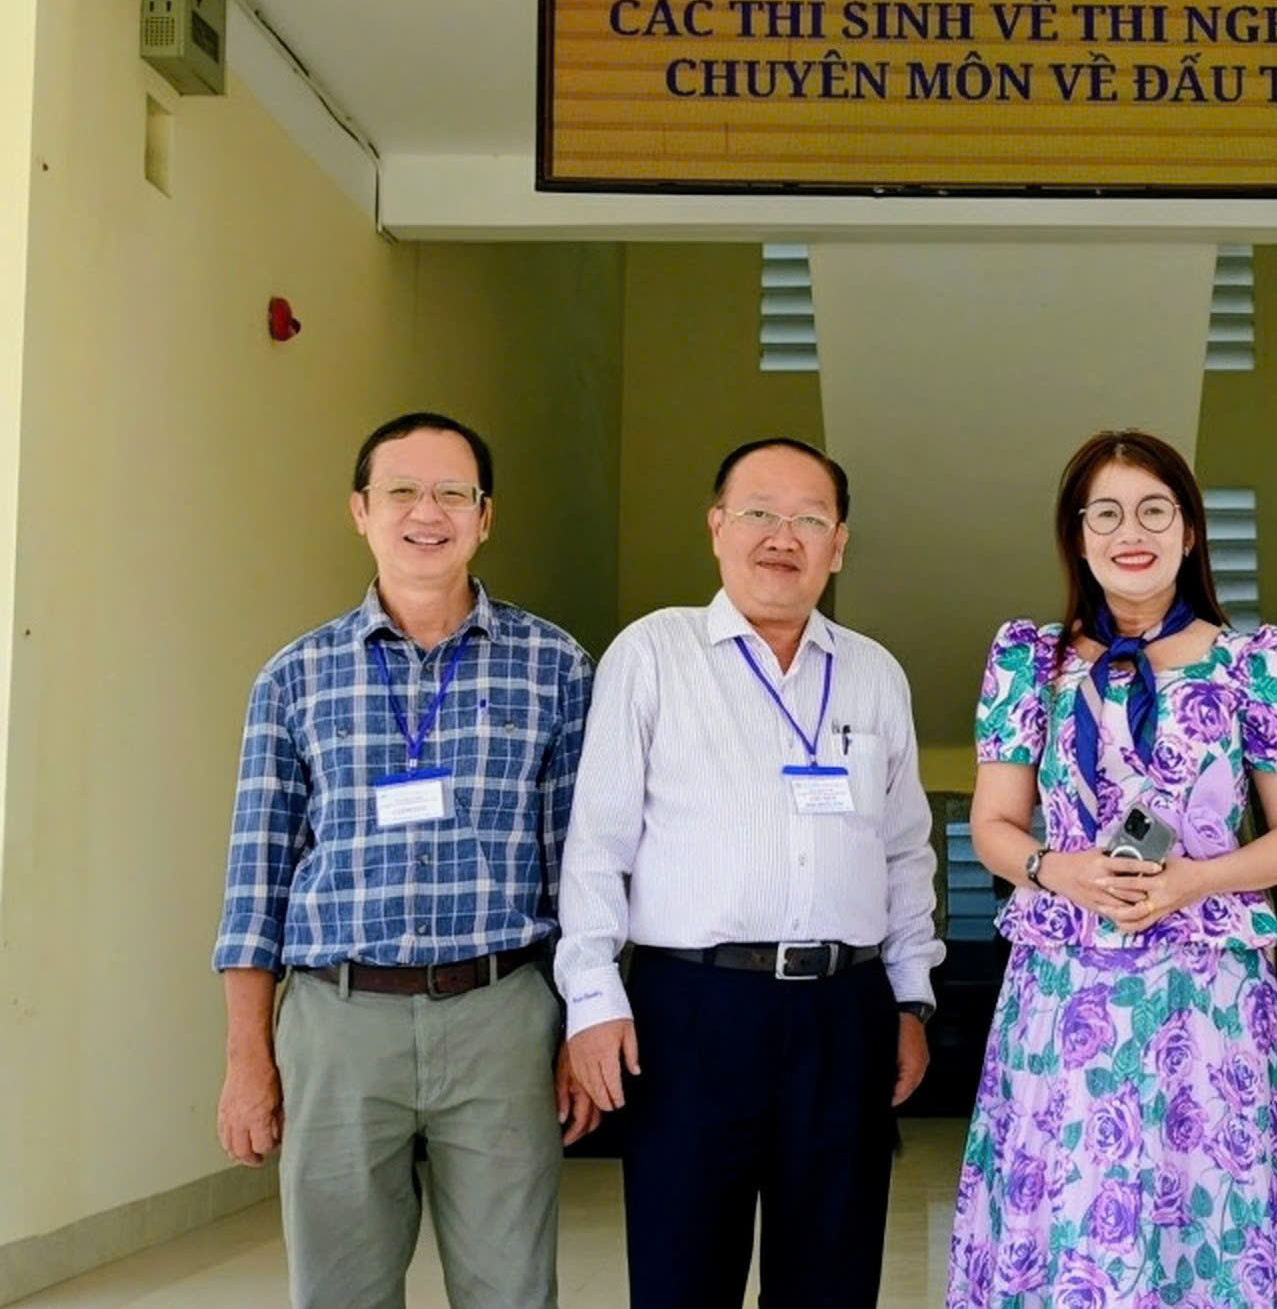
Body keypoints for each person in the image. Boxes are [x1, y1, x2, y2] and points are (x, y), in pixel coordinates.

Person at [948, 429, 1277, 1308]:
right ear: (1078, 534)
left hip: (1208, 997)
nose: (1132, 532)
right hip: (1065, 991)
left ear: (1190, 532)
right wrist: (1059, 870)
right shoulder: (1028, 659)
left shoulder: (1252, 662)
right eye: (1108, 514)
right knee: (1072, 1211)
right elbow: (993, 825)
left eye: (1155, 511)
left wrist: (1193, 879)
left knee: (1212, 1207)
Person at [212, 411, 596, 1309]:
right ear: (360, 510)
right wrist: (246, 1059)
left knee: (511, 1290)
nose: (428, 512)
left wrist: (582, 1029)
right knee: (339, 1292)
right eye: (402, 492)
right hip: (338, 1021)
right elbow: (254, 886)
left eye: (453, 493)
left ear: (485, 516)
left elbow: (582, 875)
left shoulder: (557, 667)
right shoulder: (294, 677)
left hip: (502, 1015)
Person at [556, 436, 943, 1308]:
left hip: (845, 1013)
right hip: (693, 1013)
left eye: (810, 519)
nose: (782, 536)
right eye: (759, 512)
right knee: (683, 1278)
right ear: (716, 527)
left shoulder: (874, 673)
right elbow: (598, 844)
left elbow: (905, 852)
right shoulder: (653, 652)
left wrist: (911, 1001)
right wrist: (593, 997)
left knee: (832, 1282)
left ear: (838, 545)